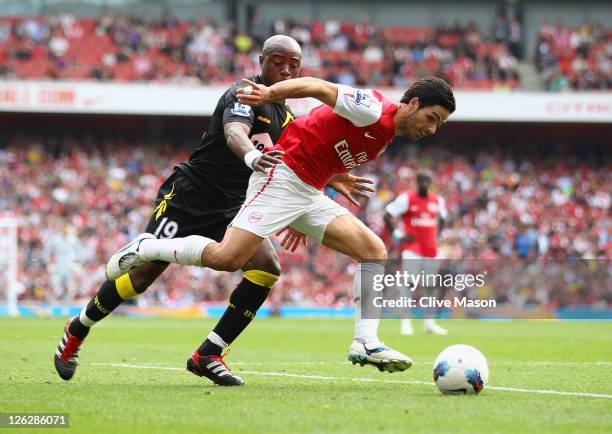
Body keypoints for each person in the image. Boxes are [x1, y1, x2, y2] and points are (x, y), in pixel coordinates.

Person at [54, 35, 369, 386]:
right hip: (191, 194)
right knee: (143, 276)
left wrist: (329, 180)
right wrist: (252, 155)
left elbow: (299, 164)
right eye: (279, 62)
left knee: (267, 268)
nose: (286, 70)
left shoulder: (288, 114)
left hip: (234, 205)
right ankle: (77, 328)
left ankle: (209, 353)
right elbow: (235, 133)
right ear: (261, 61)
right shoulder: (244, 92)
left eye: (294, 66)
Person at [106, 75, 456, 378]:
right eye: (432, 117)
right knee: (227, 258)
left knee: (373, 251)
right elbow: (318, 87)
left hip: (308, 191)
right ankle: (147, 247)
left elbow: (322, 142)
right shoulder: (373, 108)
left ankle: (366, 342)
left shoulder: (386, 134)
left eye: (439, 124)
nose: (432, 128)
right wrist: (268, 95)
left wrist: (329, 184)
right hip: (281, 178)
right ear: (412, 103)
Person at [384, 170, 450, 335]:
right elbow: (387, 215)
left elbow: (444, 218)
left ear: (431, 182)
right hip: (412, 248)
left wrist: (437, 235)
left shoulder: (437, 200)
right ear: (417, 181)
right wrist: (398, 234)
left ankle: (429, 323)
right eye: (422, 180)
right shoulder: (407, 198)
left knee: (430, 286)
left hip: (430, 249)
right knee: (409, 284)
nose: (425, 184)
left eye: (428, 181)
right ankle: (406, 323)